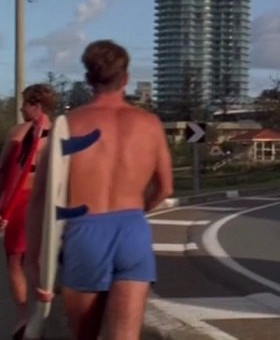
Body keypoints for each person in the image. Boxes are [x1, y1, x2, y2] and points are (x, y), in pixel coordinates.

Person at [26, 40, 174, 340]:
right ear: (126, 78)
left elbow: (40, 198)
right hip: (133, 230)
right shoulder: (150, 124)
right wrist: (135, 211)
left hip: (86, 232)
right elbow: (165, 187)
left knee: (86, 335)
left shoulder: (69, 125)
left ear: (89, 79)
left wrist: (35, 262)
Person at [0, 84, 57, 339]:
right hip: (49, 203)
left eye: (24, 103)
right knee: (41, 260)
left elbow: (4, 171)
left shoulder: (18, 133)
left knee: (15, 261)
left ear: (37, 106)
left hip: (23, 201)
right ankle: (43, 311)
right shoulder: (61, 135)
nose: (22, 108)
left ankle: (24, 316)